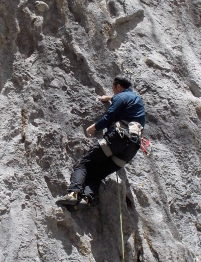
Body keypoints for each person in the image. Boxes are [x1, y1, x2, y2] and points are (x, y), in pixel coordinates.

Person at [57, 76, 146, 208]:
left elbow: (109, 116)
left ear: (119, 87)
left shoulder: (120, 97)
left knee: (83, 164)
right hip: (131, 150)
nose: (114, 93)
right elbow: (124, 100)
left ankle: (74, 194)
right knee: (97, 174)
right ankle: (86, 199)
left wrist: (94, 127)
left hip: (118, 139)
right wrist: (111, 97)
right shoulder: (138, 101)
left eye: (114, 90)